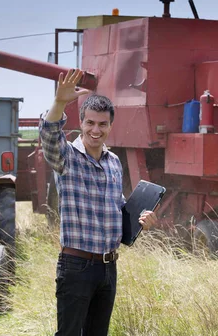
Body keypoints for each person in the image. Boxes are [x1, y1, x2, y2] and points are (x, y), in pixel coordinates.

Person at [39, 68, 158, 336]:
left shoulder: (114, 162)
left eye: (102, 124)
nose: (96, 130)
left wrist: (141, 220)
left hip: (108, 267)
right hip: (76, 266)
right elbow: (49, 135)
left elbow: (117, 206)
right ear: (81, 123)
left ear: (110, 126)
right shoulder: (66, 158)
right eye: (90, 123)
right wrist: (59, 103)